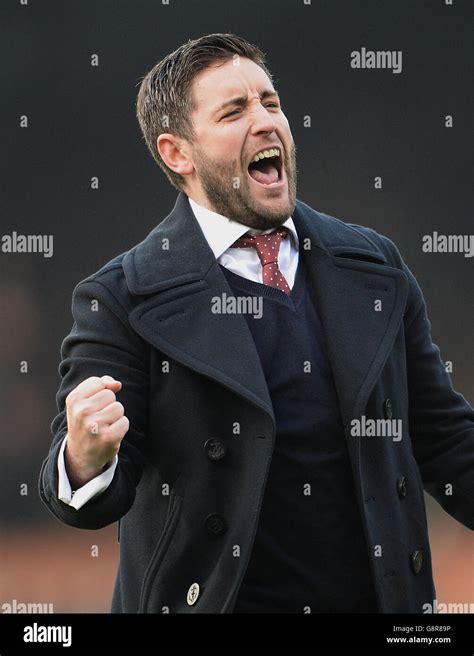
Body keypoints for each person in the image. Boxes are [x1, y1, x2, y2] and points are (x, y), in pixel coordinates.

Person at [39, 33, 474, 614]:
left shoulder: (375, 268)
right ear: (178, 153)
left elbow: (446, 441)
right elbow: (88, 497)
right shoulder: (120, 297)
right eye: (234, 111)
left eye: (270, 102)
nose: (266, 122)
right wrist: (84, 457)